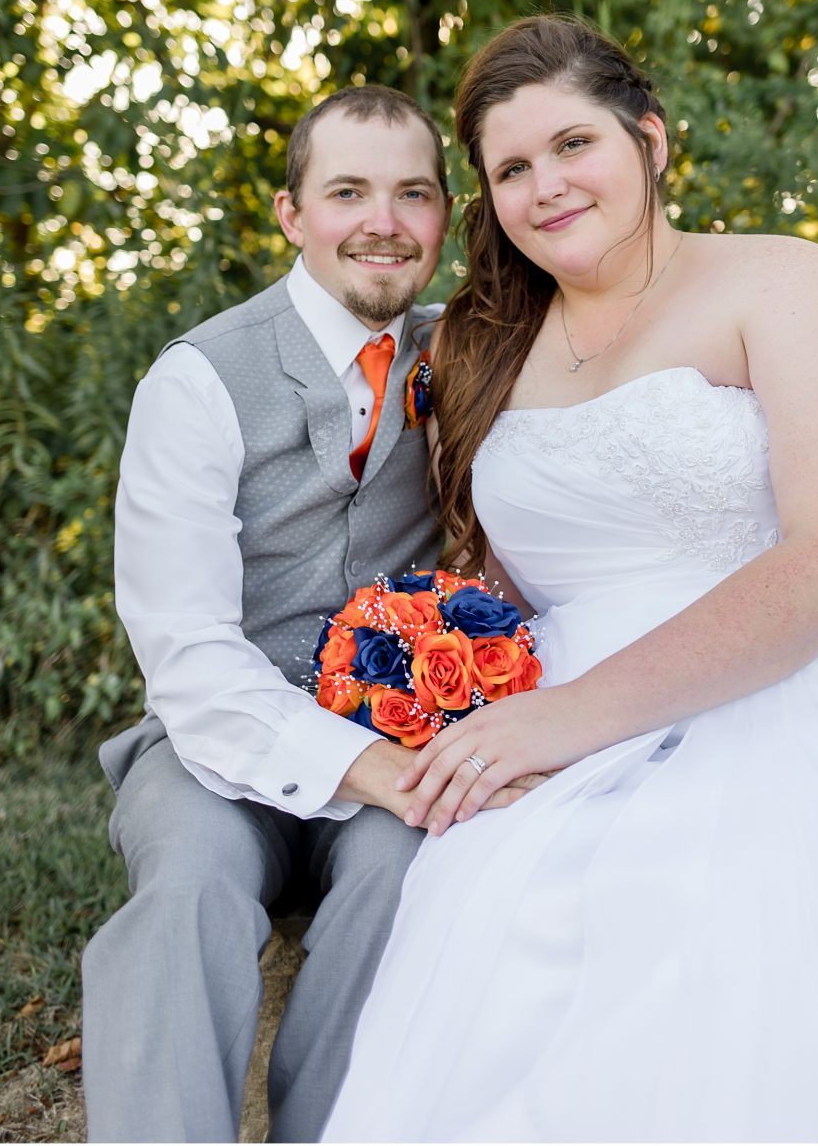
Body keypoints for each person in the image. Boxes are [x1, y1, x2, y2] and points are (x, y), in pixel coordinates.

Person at [323, 17, 818, 1145]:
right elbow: (491, 577)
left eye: (572, 145)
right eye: (509, 169)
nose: (544, 185)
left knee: (730, 896)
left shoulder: (779, 283)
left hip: (810, 680)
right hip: (554, 706)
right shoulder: (481, 348)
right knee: (485, 898)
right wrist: (448, 677)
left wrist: (563, 722)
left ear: (649, 139)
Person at [81, 85, 543, 1144]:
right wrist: (374, 770)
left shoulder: (466, 355)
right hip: (210, 743)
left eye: (412, 193)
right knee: (185, 896)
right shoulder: (198, 380)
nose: (382, 221)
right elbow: (188, 653)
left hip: (401, 727)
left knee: (402, 887)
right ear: (292, 214)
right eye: (348, 191)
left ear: (443, 215)